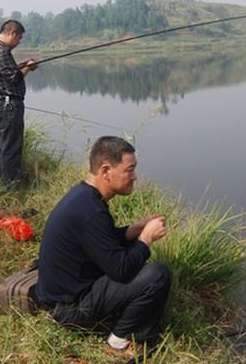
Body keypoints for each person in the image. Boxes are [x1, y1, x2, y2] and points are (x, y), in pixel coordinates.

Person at [35, 136, 170, 358]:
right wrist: (146, 238)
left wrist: (131, 231)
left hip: (57, 298)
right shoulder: (92, 212)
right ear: (106, 170)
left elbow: (100, 241)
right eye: (130, 169)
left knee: (137, 260)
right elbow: (122, 270)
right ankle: (119, 342)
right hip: (69, 309)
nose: (134, 177)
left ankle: (135, 330)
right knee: (157, 275)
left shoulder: (83, 197)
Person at [0, 20, 38, 187]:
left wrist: (20, 64)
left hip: (3, 105)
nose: (19, 42)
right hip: (9, 105)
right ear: (12, 33)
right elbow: (13, 78)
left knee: (6, 145)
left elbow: (6, 72)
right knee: (12, 147)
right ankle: (12, 186)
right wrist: (28, 67)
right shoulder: (1, 52)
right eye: (19, 38)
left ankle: (5, 182)